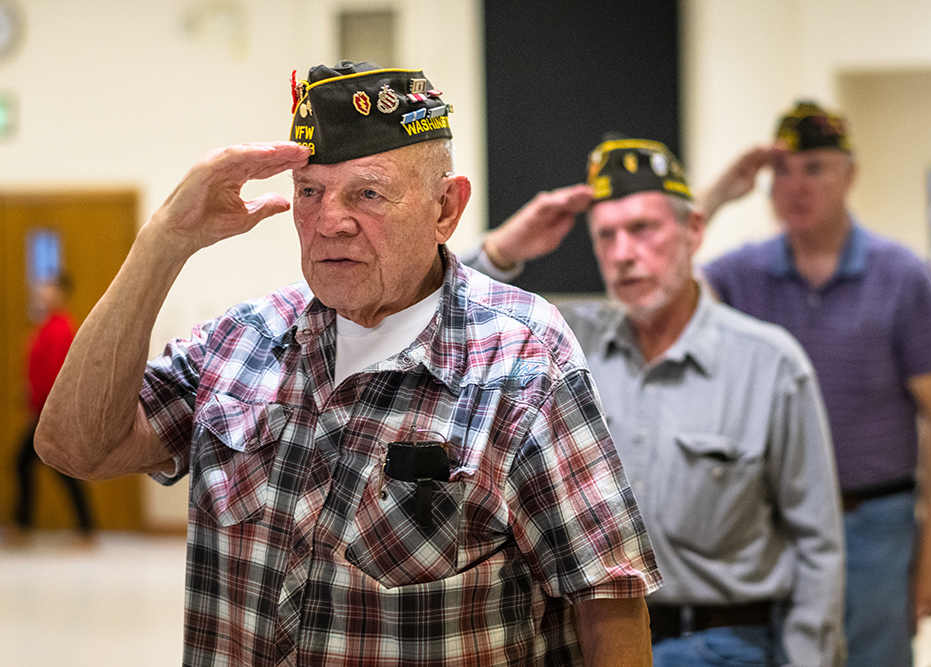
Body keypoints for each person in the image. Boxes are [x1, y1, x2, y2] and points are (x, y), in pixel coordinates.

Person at [34, 62, 661, 666]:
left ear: (446, 208)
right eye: (310, 192)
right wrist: (164, 240)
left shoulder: (521, 355)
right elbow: (77, 448)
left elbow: (608, 598)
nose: (330, 222)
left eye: (368, 192)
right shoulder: (244, 341)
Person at [468, 136, 845, 666]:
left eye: (643, 229)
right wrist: (504, 250)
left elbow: (818, 547)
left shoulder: (769, 364)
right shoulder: (564, 346)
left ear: (693, 231)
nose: (623, 254)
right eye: (606, 237)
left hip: (719, 644)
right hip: (584, 639)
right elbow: (446, 318)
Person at [699, 101, 931, 667]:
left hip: (873, 527)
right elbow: (659, 283)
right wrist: (718, 193)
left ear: (850, 173)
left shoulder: (901, 275)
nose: (795, 185)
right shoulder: (742, 273)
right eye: (782, 171)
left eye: (814, 167)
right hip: (773, 526)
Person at [10, 272, 94, 544]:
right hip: (43, 410)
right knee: (56, 468)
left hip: (51, 413)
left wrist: (47, 408)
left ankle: (26, 526)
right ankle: (82, 528)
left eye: (47, 286)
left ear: (60, 292)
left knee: (27, 463)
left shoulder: (60, 328)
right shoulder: (47, 325)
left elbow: (57, 374)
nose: (41, 290)